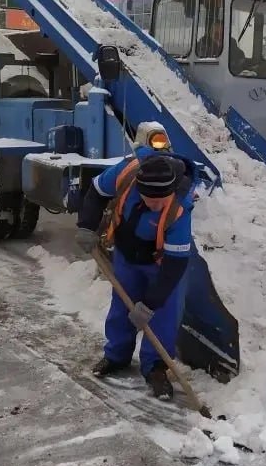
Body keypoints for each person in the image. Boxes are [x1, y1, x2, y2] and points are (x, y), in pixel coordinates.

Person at [75, 148, 196, 401]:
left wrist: (150, 303)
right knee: (122, 305)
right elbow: (96, 192)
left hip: (161, 263)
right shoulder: (126, 173)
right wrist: (86, 225)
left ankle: (155, 368)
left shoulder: (180, 208)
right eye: (148, 199)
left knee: (162, 314)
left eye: (160, 201)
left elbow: (175, 265)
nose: (154, 205)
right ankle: (116, 356)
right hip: (126, 254)